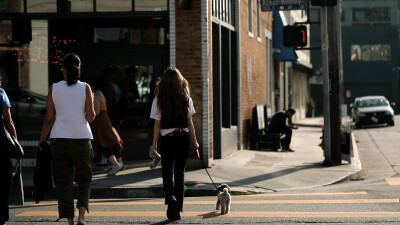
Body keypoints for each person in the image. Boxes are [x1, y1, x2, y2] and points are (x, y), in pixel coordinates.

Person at [38, 53, 95, 225]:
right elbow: (91, 118)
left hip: (59, 140)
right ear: (79, 70)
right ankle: (81, 217)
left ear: (63, 69)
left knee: (63, 182)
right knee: (84, 179)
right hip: (81, 140)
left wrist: (41, 140)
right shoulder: (85, 88)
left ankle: (69, 220)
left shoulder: (53, 88)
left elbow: (49, 119)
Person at [149, 67, 199, 221]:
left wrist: (154, 144)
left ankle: (171, 200)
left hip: (167, 139)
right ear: (180, 81)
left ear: (163, 82)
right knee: (180, 174)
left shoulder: (158, 100)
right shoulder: (186, 98)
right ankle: (177, 208)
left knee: (167, 173)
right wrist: (195, 141)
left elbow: (157, 125)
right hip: (183, 138)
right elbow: (190, 123)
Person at [88, 76, 123, 175]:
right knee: (101, 143)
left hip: (99, 123)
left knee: (100, 143)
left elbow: (96, 111)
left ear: (92, 85)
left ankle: (115, 164)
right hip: (103, 121)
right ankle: (115, 163)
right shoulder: (100, 94)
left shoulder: (95, 95)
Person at [0, 73, 18, 225]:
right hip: (0, 143)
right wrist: (15, 140)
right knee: (4, 177)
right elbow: (8, 119)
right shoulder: (1, 93)